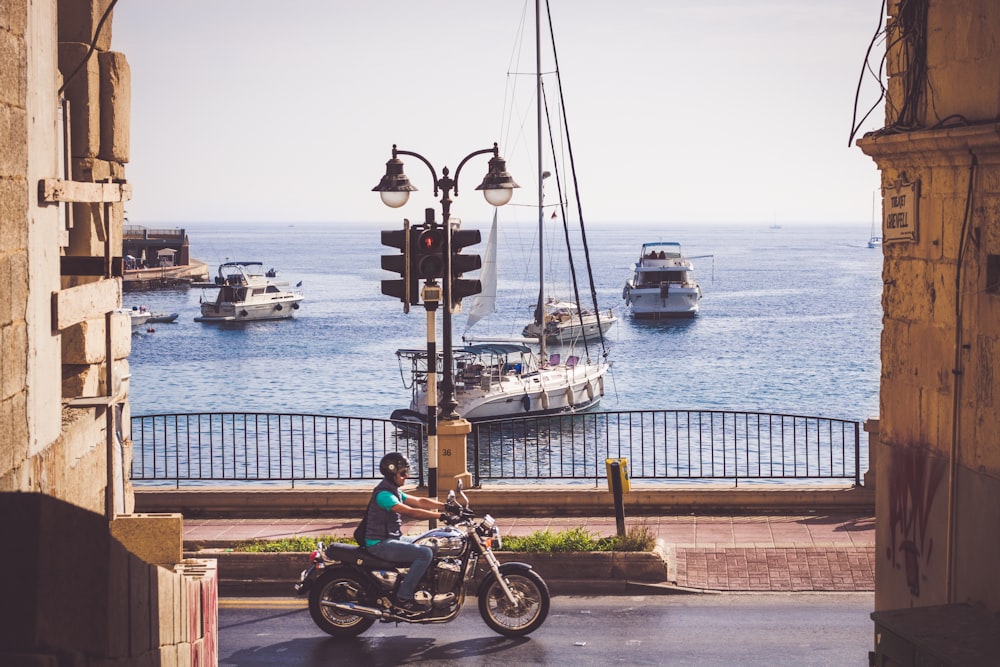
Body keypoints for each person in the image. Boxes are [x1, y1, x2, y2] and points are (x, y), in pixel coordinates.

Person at [364, 452, 447, 611]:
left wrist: (446, 506)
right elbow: (411, 512)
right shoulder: (384, 495)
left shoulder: (394, 490)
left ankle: (423, 586)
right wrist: (441, 515)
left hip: (393, 538)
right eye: (403, 473)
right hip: (379, 543)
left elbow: (420, 501)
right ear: (391, 473)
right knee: (424, 554)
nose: (406, 476)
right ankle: (404, 597)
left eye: (407, 472)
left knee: (430, 542)